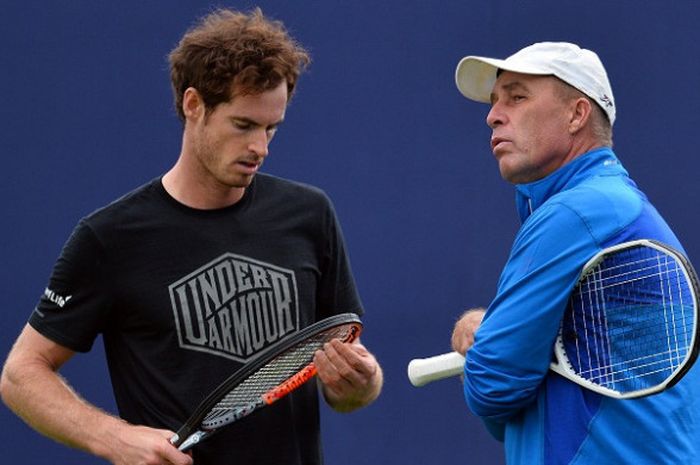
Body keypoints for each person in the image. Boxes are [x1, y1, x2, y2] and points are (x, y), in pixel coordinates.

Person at [0, 8, 382, 465]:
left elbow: (346, 384)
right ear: (194, 105)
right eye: (243, 125)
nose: (260, 147)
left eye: (271, 128)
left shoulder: (309, 214)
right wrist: (112, 437)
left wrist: (362, 383)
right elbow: (21, 375)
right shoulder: (109, 239)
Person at [449, 42, 700, 464]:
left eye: (517, 96)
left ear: (576, 114)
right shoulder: (609, 206)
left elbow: (492, 389)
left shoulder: (578, 213)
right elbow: (513, 409)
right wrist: (494, 338)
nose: (493, 115)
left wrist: (488, 343)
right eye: (495, 101)